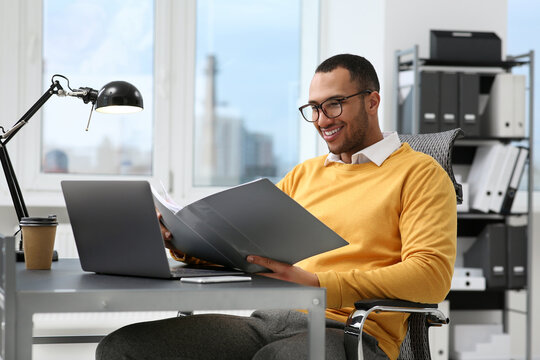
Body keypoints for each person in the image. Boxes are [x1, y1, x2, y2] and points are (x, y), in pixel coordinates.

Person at [96, 54, 457, 360]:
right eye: (314, 108)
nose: (321, 120)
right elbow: (246, 251)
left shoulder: (419, 174)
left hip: (350, 332)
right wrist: (179, 240)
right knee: (123, 347)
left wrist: (318, 283)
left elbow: (431, 276)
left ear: (372, 102)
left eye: (333, 104)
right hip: (267, 320)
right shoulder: (305, 174)